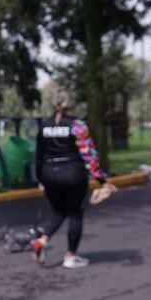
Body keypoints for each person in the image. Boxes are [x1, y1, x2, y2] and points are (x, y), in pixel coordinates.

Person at [31, 90, 117, 269]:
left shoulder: (44, 125)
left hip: (49, 174)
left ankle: (42, 240)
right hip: (72, 173)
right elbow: (89, 157)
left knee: (58, 211)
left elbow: (38, 156)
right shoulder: (77, 125)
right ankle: (70, 257)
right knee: (75, 213)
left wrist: (39, 179)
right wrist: (102, 180)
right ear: (71, 104)